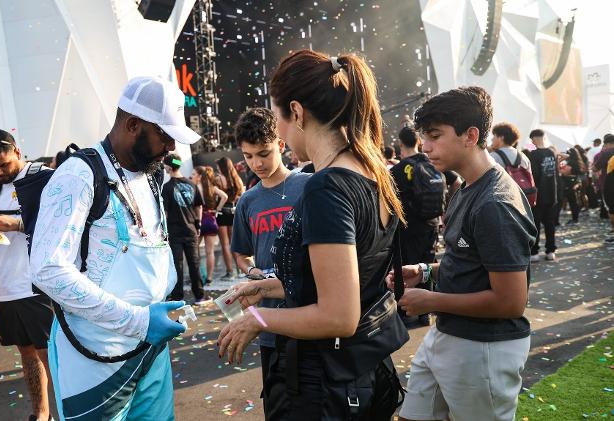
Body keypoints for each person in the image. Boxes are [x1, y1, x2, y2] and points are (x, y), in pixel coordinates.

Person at [219, 51, 407, 420]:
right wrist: (268, 287)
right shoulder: (369, 169)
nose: (283, 135)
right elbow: (337, 279)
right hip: (358, 371)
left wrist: (258, 319)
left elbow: (339, 315)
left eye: (278, 119)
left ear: (297, 112)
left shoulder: (327, 186)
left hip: (326, 385)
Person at [30, 76, 199, 420]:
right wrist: (136, 320)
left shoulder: (150, 174)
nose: (171, 148)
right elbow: (48, 269)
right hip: (95, 357)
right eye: (165, 136)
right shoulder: (77, 176)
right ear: (134, 125)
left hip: (151, 349)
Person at [394, 86, 536, 421]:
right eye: (423, 136)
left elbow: (511, 302)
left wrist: (431, 300)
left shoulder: (495, 202)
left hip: (484, 347)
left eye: (435, 136)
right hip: (449, 333)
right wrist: (427, 271)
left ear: (470, 135)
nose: (425, 146)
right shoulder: (466, 186)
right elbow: (468, 262)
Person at [229, 107, 311, 414]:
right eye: (249, 156)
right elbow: (240, 252)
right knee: (278, 405)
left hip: (311, 313)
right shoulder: (248, 201)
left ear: (281, 143)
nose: (257, 163)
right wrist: (252, 272)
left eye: (263, 153)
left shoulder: (308, 186)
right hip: (269, 321)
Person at [0, 129, 55, 421]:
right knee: (26, 352)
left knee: (51, 356)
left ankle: (67, 414)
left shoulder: (43, 176)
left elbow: (60, 223)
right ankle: (41, 414)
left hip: (35, 283)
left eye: (3, 165)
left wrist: (16, 224)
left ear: (17, 152)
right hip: (3, 284)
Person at [390, 126, 445, 327]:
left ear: (401, 143)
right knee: (427, 265)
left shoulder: (399, 169)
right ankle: (425, 312)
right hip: (431, 223)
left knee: (407, 267)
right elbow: (454, 182)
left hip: (408, 227)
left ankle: (406, 309)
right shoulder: (431, 163)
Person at [162, 153, 209, 304]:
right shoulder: (192, 184)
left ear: (169, 167)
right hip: (191, 230)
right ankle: (199, 296)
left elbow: (166, 213)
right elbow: (199, 206)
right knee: (194, 263)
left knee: (177, 265)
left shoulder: (167, 187)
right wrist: (198, 224)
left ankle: (177, 297)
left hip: (174, 232)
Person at [528, 129, 560, 261]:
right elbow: (555, 174)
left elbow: (533, 175)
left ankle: (534, 252)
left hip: (538, 195)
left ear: (534, 139)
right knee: (550, 223)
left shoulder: (533, 155)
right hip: (552, 194)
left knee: (535, 224)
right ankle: (550, 251)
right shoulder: (552, 153)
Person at [194, 165, 227, 285]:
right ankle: (209, 278)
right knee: (210, 252)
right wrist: (217, 209)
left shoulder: (196, 187)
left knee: (195, 251)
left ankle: (198, 276)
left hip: (199, 220)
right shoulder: (212, 188)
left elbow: (195, 205)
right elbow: (224, 196)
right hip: (211, 219)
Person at [215, 157, 245, 279]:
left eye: (217, 166)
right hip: (234, 212)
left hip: (222, 212)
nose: (216, 168)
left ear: (221, 167)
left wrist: (217, 209)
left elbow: (219, 196)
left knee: (225, 244)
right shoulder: (236, 178)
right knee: (234, 243)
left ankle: (230, 272)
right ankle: (240, 270)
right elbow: (242, 195)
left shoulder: (218, 179)